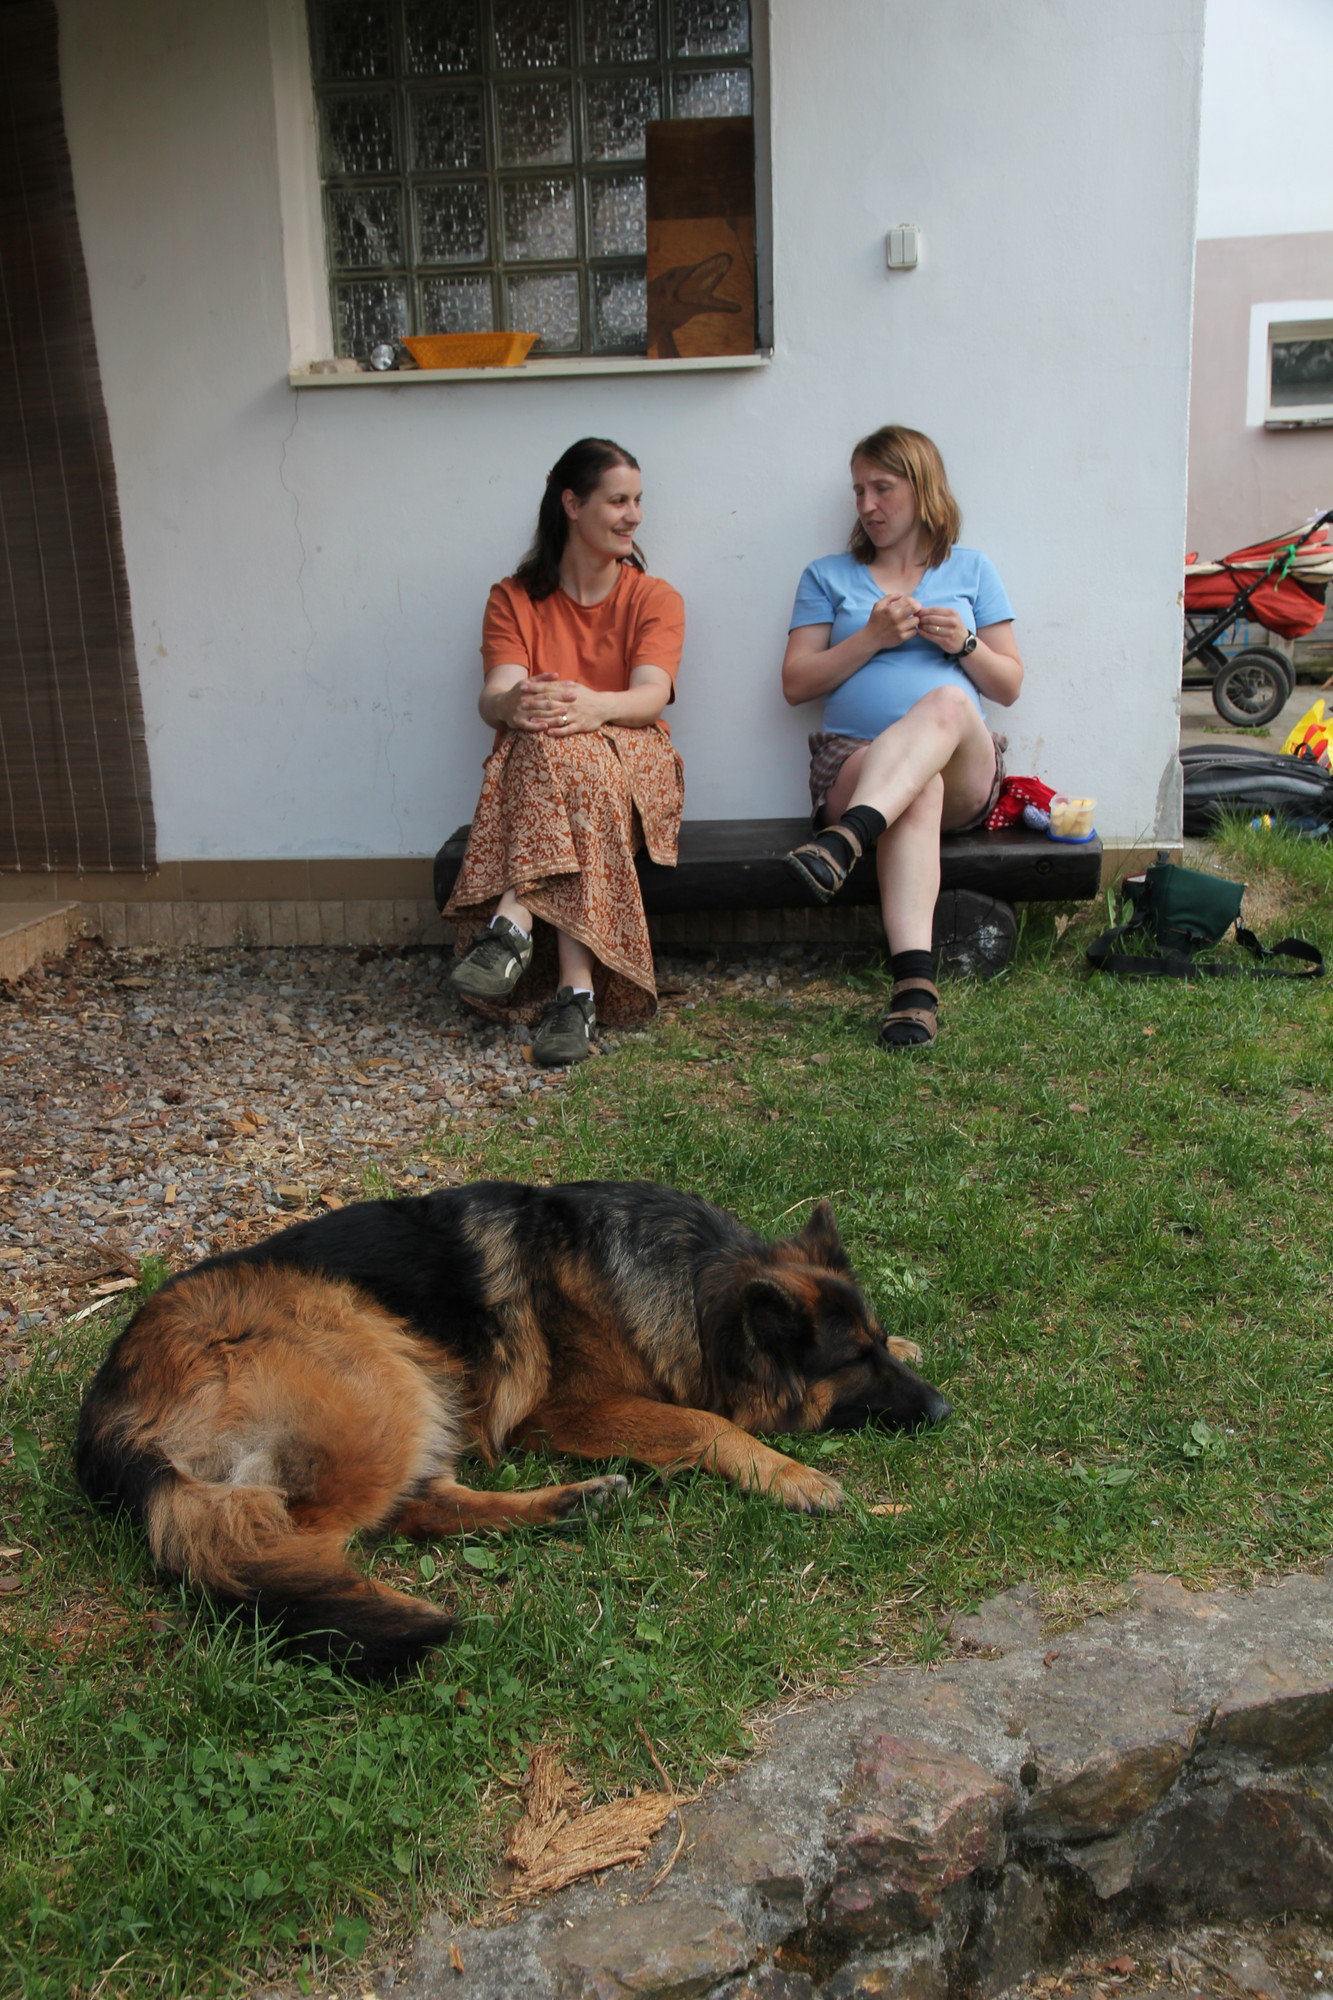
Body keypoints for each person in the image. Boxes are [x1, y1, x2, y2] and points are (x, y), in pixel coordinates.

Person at [781, 425, 1023, 1050]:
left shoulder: (972, 569)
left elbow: (1009, 685)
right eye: (859, 491)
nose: (867, 505)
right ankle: (915, 990)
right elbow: (795, 684)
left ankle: (846, 840)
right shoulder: (827, 576)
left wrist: (965, 645)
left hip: (964, 764)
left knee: (949, 700)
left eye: (881, 488)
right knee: (917, 789)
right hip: (853, 761)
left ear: (922, 488)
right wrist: (871, 638)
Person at [444, 437, 684, 1066]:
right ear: (572, 504)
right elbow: (496, 695)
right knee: (549, 746)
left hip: (635, 766)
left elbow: (650, 697)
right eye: (619, 501)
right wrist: (514, 703)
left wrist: (592, 707)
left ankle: (512, 925)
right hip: (553, 776)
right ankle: (575, 994)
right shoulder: (513, 598)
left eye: (638, 501)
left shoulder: (655, 599)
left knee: (561, 750)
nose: (634, 515)